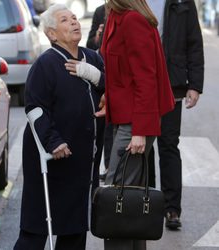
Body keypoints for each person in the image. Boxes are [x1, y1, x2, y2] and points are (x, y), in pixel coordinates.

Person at [13, 4, 105, 250]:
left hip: (83, 159)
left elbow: (111, 89)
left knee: (75, 229)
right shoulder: (46, 64)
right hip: (52, 157)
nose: (74, 22)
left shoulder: (93, 58)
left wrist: (96, 76)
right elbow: (35, 108)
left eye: (74, 18)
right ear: (51, 34)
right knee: (37, 229)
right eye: (65, 20)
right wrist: (54, 141)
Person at [99, 0, 175, 248]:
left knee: (116, 195)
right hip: (129, 116)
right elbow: (122, 71)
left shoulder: (132, 19)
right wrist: (108, 98)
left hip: (136, 120)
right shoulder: (117, 15)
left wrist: (140, 131)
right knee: (129, 196)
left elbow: (145, 78)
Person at [147, 0, 204, 230]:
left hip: (172, 84)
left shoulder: (183, 1)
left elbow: (194, 42)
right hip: (142, 83)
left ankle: (171, 209)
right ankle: (146, 202)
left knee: (169, 144)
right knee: (143, 145)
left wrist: (195, 85)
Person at [86, 3, 113, 180]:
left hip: (115, 77)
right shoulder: (100, 11)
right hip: (104, 72)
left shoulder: (130, 13)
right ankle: (110, 167)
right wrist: (97, 37)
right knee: (107, 128)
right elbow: (89, 45)